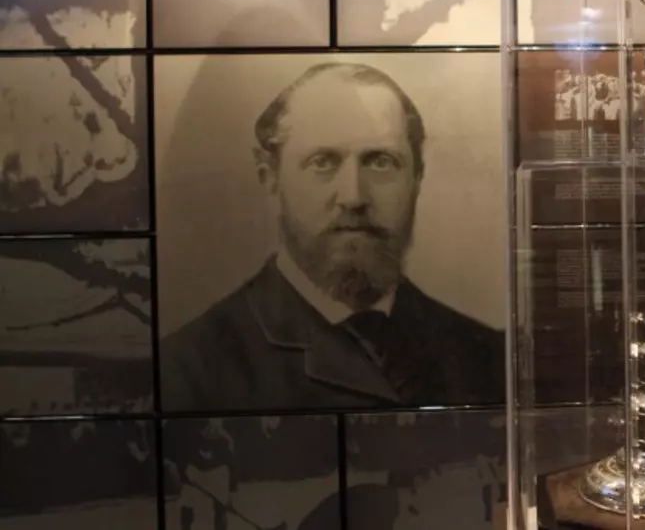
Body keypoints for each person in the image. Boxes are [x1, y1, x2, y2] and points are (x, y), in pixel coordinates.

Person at [160, 62, 504, 411]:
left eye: (380, 162)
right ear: (270, 177)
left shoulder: (488, 359)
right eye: (323, 162)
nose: (353, 197)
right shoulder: (190, 371)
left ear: (417, 178)